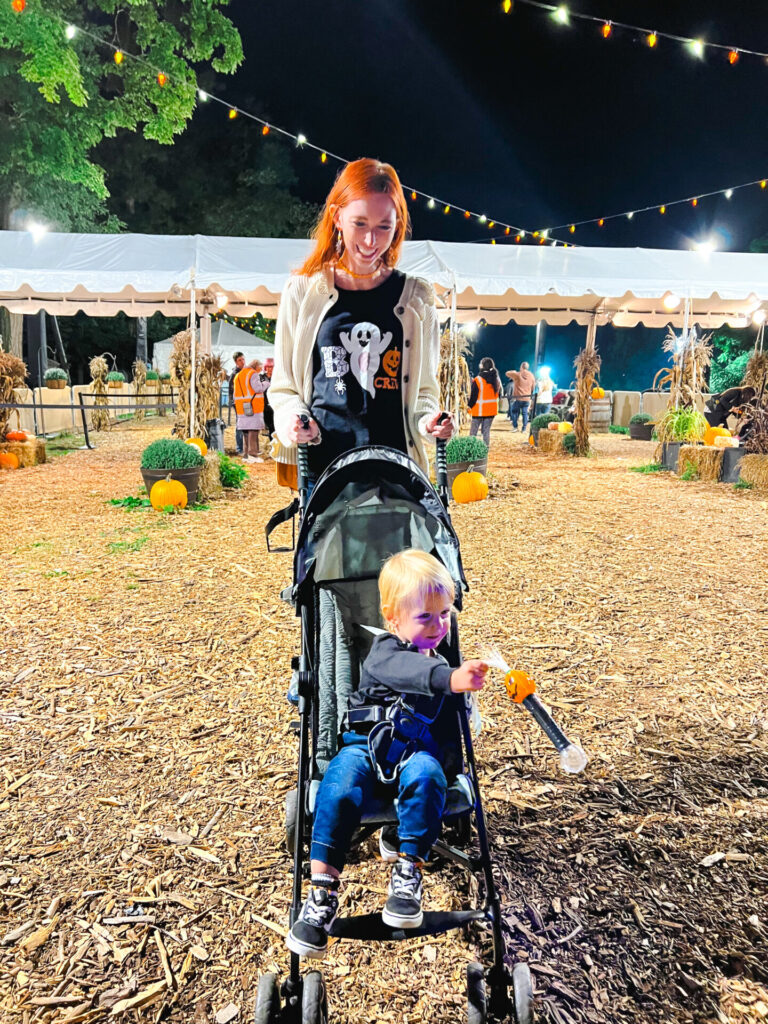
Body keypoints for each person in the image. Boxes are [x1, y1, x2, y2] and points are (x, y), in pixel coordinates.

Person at [286, 549, 489, 959]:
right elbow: (410, 673)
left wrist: (463, 712)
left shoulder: (444, 664)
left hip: (417, 756)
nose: (439, 626)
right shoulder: (386, 652)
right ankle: (321, 895)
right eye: (425, 617)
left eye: (445, 614)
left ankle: (407, 871)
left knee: (430, 776)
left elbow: (451, 736)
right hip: (365, 748)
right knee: (338, 789)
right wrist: (449, 678)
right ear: (393, 619)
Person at [269, 157, 454, 490]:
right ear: (337, 217)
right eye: (360, 223)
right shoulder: (303, 291)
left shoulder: (416, 299)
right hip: (327, 475)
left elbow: (424, 393)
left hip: (398, 474)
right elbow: (284, 390)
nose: (371, 241)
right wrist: (292, 422)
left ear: (398, 224)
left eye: (384, 226)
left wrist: (429, 422)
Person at [233, 358, 268, 463]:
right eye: (260, 368)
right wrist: (266, 383)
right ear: (256, 366)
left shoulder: (238, 375)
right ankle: (253, 454)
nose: (261, 370)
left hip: (241, 406)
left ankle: (246, 454)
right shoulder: (253, 374)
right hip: (253, 406)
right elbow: (258, 389)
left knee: (246, 431)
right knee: (253, 429)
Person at [468, 357, 501, 448]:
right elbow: (499, 394)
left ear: (482, 366)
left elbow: (474, 396)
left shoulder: (478, 380)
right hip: (491, 410)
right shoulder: (496, 379)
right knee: (486, 431)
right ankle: (486, 448)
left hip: (479, 410)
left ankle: (470, 447)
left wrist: (469, 406)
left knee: (473, 431)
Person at [228, 352, 245, 455]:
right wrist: (234, 402)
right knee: (240, 424)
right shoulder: (235, 373)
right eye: (240, 360)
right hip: (238, 403)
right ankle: (239, 448)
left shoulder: (246, 371)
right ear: (235, 362)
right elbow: (231, 390)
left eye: (243, 359)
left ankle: (245, 448)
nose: (242, 362)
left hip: (246, 402)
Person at [262, 356, 275, 444]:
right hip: (265, 406)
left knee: (275, 426)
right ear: (265, 368)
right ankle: (272, 443)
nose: (270, 369)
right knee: (270, 426)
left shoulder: (277, 378)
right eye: (268, 367)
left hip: (275, 405)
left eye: (272, 367)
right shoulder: (261, 378)